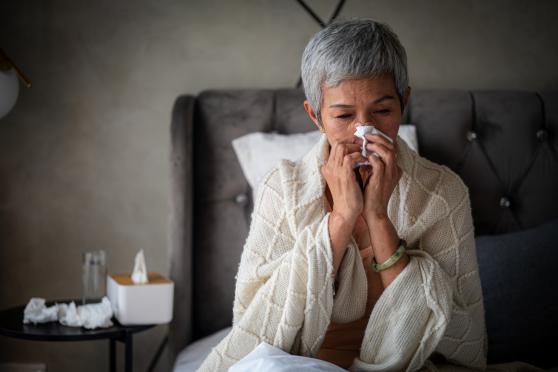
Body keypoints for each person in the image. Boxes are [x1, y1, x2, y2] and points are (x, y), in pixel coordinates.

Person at [198, 19, 487, 372]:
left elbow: (459, 337)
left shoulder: (444, 192)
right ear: (316, 116)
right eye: (343, 115)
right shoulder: (284, 187)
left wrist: (378, 217)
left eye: (382, 111)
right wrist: (341, 219)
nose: (363, 130)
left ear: (404, 101)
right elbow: (256, 322)